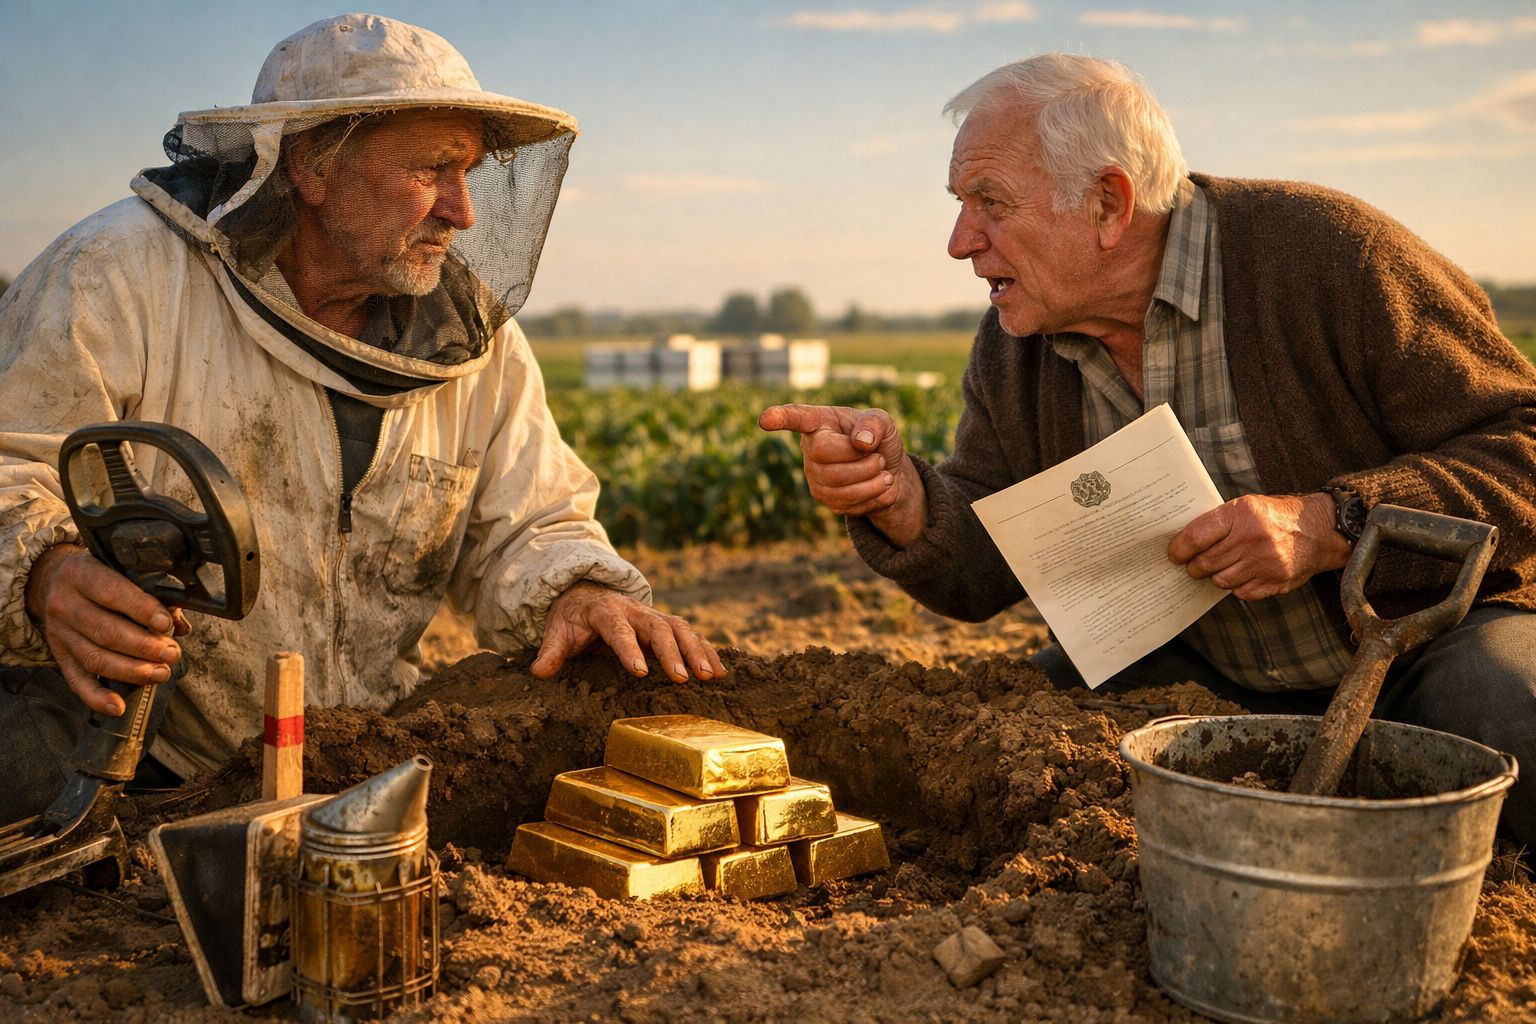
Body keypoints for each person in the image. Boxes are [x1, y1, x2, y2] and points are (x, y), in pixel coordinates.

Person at [760, 53, 1536, 848]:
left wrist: (1330, 524)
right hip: (1199, 676)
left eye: (990, 203)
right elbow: (990, 559)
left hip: (1426, 645)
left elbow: (1525, 442)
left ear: (1108, 202)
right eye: (962, 205)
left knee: (1510, 711)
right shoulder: (1013, 347)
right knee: (999, 733)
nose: (961, 241)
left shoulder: (1331, 256)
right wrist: (905, 500)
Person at [0, 13, 723, 816]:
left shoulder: (475, 345)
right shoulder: (115, 276)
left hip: (364, 769)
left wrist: (577, 590)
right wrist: (46, 574)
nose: (463, 211)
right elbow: (11, 465)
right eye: (433, 169)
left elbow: (531, 519)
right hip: (137, 757)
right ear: (309, 165)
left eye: (470, 173)